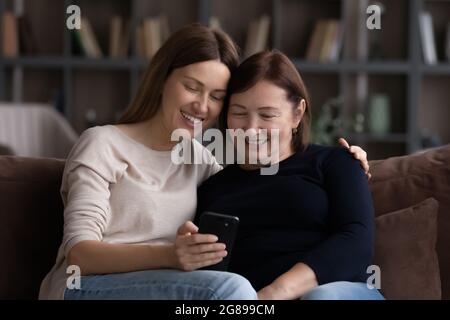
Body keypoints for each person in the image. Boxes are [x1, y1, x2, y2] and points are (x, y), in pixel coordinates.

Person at [39, 24, 369, 300]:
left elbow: (256, 194)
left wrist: (351, 164)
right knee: (233, 289)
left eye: (216, 97)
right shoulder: (103, 143)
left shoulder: (204, 162)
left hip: (172, 288)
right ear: (162, 79)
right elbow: (79, 253)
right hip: (85, 285)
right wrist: (171, 254)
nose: (201, 106)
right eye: (191, 87)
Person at [194, 51, 384, 300]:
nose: (251, 129)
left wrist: (275, 293)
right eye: (239, 113)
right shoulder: (212, 188)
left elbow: (357, 242)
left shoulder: (336, 162)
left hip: (337, 291)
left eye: (267, 115)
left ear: (297, 114)